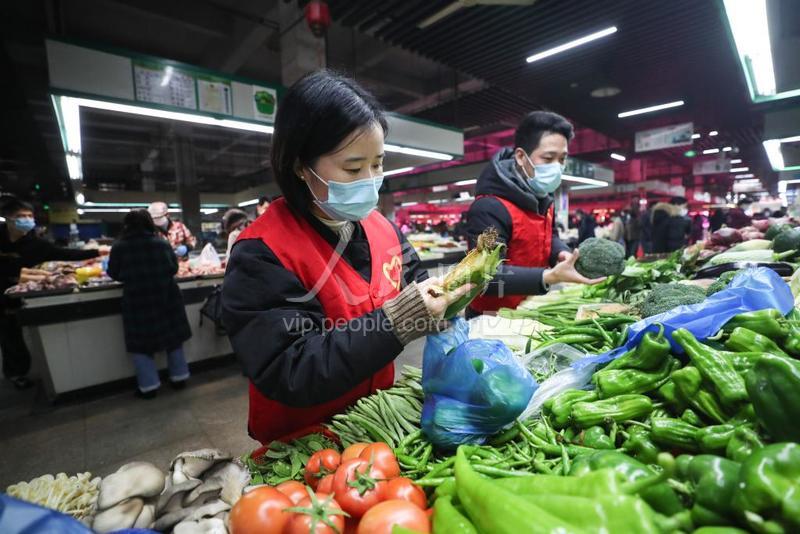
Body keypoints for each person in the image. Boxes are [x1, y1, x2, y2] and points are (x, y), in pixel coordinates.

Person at [221, 70, 471, 444]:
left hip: (375, 422)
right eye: (354, 168)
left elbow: (418, 282)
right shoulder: (261, 252)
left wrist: (457, 293)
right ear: (300, 165)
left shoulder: (382, 229)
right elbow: (289, 368)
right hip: (304, 441)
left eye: (379, 163)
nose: (371, 179)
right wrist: (398, 322)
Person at [464, 111, 604, 317]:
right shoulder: (490, 207)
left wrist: (561, 253)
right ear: (521, 157)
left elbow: (548, 235)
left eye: (562, 159)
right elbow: (484, 277)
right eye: (548, 158)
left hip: (529, 309)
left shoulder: (542, 199)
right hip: (490, 317)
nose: (557, 166)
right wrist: (548, 276)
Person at [0, 198, 104, 389]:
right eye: (20, 216)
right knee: (10, 337)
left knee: (21, 330)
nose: (26, 220)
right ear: (7, 218)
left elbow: (66, 254)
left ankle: (29, 368)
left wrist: (98, 252)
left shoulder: (36, 244)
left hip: (22, 292)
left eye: (29, 216)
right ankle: (16, 373)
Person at [107, 210, 191, 399]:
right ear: (149, 224)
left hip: (137, 301)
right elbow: (174, 268)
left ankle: (149, 387)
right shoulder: (161, 243)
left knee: (140, 345)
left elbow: (113, 273)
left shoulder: (120, 247)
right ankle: (179, 378)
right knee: (173, 339)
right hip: (166, 297)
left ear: (127, 225)